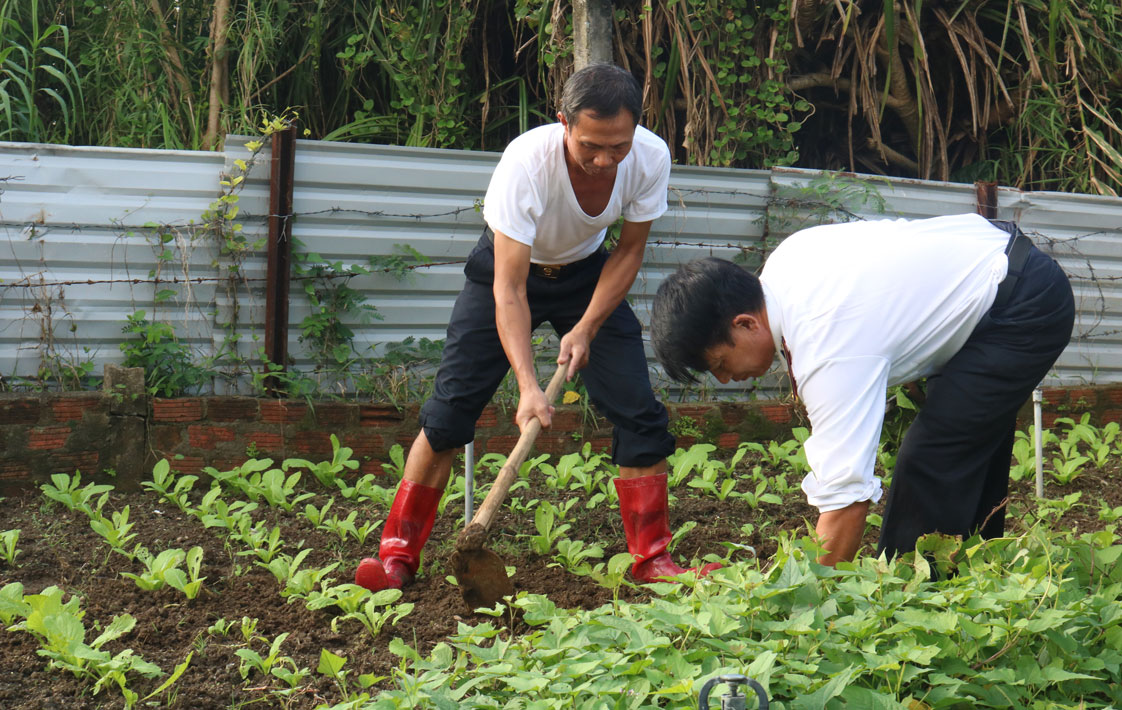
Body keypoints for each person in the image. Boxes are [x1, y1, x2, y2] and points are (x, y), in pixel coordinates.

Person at [354, 63, 719, 593]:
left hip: (589, 278)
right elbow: (510, 289)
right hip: (505, 276)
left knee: (640, 412)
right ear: (563, 122)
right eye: (590, 145)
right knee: (449, 412)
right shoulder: (527, 161)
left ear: (636, 129)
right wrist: (528, 385)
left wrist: (587, 326)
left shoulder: (650, 157)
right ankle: (397, 557)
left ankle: (653, 562)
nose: (603, 160)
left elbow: (630, 249)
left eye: (617, 147)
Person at [649, 214, 1075, 565]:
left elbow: (846, 499)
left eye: (721, 364)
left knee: (929, 460)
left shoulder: (825, 344)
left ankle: (903, 603)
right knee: (961, 439)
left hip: (1023, 302)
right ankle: (975, 570)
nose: (726, 379)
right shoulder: (784, 266)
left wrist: (802, 603)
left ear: (745, 323)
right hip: (995, 266)